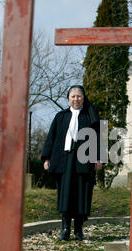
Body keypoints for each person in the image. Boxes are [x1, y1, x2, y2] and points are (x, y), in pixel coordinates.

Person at [41, 85, 102, 241]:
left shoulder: (91, 116)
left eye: (79, 96)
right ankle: (65, 229)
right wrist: (47, 158)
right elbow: (51, 138)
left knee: (82, 193)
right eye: (73, 96)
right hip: (64, 159)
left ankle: (79, 230)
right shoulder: (60, 116)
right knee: (65, 194)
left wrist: (99, 158)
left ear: (84, 98)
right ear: (68, 98)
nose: (76, 99)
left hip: (84, 159)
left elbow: (99, 138)